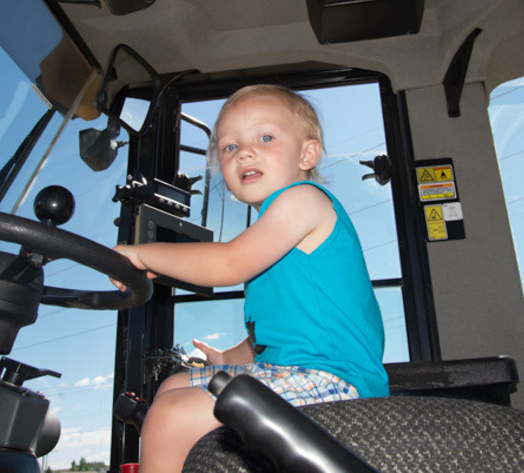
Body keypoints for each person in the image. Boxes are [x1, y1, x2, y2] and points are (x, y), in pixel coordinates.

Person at [113, 84, 388, 472]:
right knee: (174, 384)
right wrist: (227, 359)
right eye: (229, 147)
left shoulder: (304, 200)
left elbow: (229, 262)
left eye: (265, 138)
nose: (243, 152)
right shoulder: (277, 234)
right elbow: (271, 333)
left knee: (170, 417)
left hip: (333, 380)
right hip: (285, 370)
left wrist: (144, 253)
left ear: (307, 154)